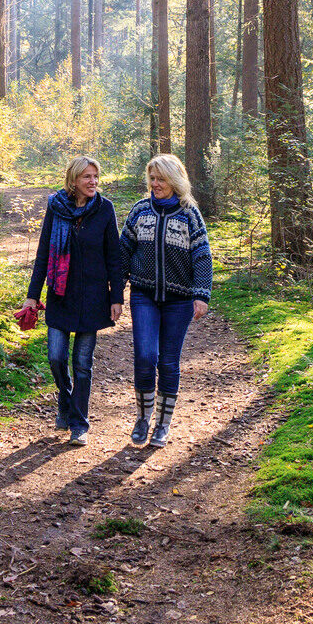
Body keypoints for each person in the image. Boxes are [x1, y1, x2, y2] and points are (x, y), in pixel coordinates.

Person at [23, 156, 124, 446]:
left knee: (82, 362)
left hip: (93, 298)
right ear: (74, 180)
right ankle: (65, 402)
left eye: (95, 176)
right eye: (87, 177)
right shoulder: (56, 207)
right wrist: (33, 296)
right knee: (56, 357)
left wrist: (116, 297)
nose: (93, 182)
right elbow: (43, 254)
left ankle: (79, 423)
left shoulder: (105, 209)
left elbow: (114, 258)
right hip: (60, 295)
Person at [120, 154, 212, 448]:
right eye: (152, 179)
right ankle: (143, 418)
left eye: (161, 179)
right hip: (144, 295)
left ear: (175, 181)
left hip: (179, 300)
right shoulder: (139, 211)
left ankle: (162, 424)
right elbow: (123, 252)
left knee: (169, 362)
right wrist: (114, 292)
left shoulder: (190, 215)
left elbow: (201, 256)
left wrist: (201, 294)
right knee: (145, 357)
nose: (155, 184)